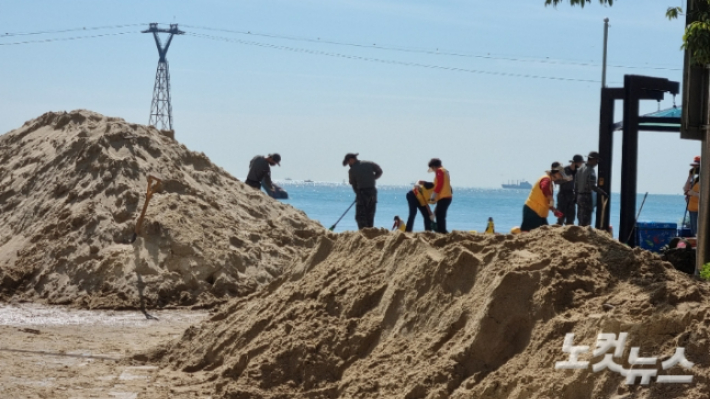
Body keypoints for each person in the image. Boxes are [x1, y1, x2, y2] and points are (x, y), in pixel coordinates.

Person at [521, 163, 566, 232]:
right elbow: (544, 188)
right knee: (528, 233)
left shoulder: (550, 182)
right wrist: (550, 197)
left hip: (540, 213)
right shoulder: (546, 179)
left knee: (544, 233)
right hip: (532, 210)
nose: (561, 177)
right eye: (560, 174)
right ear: (556, 173)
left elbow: (546, 200)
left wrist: (553, 209)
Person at [344, 153, 383, 229]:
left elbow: (354, 184)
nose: (348, 164)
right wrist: (372, 178)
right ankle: (370, 233)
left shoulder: (352, 170)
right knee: (370, 215)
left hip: (362, 194)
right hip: (372, 193)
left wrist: (358, 195)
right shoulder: (369, 164)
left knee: (360, 217)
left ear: (352, 159)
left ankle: (363, 235)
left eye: (348, 162)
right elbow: (380, 171)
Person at [574, 151, 608, 227]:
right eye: (596, 161)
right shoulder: (590, 170)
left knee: (580, 218)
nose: (597, 163)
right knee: (586, 221)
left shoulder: (580, 169)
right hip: (586, 197)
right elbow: (591, 185)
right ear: (592, 160)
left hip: (579, 196)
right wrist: (602, 192)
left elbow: (576, 184)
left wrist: (575, 196)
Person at [556, 155, 584, 225]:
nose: (581, 165)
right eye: (580, 163)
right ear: (575, 163)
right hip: (562, 196)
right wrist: (565, 179)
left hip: (571, 196)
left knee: (571, 219)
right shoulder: (564, 170)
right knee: (560, 218)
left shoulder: (578, 173)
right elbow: (556, 181)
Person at [428, 158, 453, 233]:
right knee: (440, 215)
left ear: (434, 166)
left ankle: (442, 232)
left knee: (440, 216)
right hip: (446, 196)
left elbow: (440, 184)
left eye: (432, 168)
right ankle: (442, 231)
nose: (433, 170)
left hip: (444, 196)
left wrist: (433, 196)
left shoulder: (439, 170)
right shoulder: (445, 171)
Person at [684, 156, 701, 235]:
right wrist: (690, 176)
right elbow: (685, 188)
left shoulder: (704, 179)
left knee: (698, 232)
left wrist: (693, 193)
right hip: (692, 209)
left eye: (696, 167)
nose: (694, 168)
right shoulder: (695, 179)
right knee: (694, 232)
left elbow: (705, 196)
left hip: (699, 210)